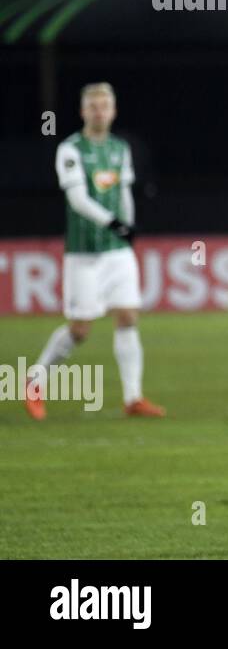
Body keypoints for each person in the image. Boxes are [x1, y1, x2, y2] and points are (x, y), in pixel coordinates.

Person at [25, 83, 166, 420]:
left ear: (114, 111)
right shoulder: (70, 149)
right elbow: (77, 200)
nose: (100, 112)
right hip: (84, 253)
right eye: (94, 106)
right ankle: (35, 380)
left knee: (129, 316)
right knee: (80, 328)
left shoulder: (120, 148)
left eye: (105, 106)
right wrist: (114, 223)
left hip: (117, 250)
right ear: (83, 111)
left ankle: (133, 398)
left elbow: (124, 193)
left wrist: (128, 228)